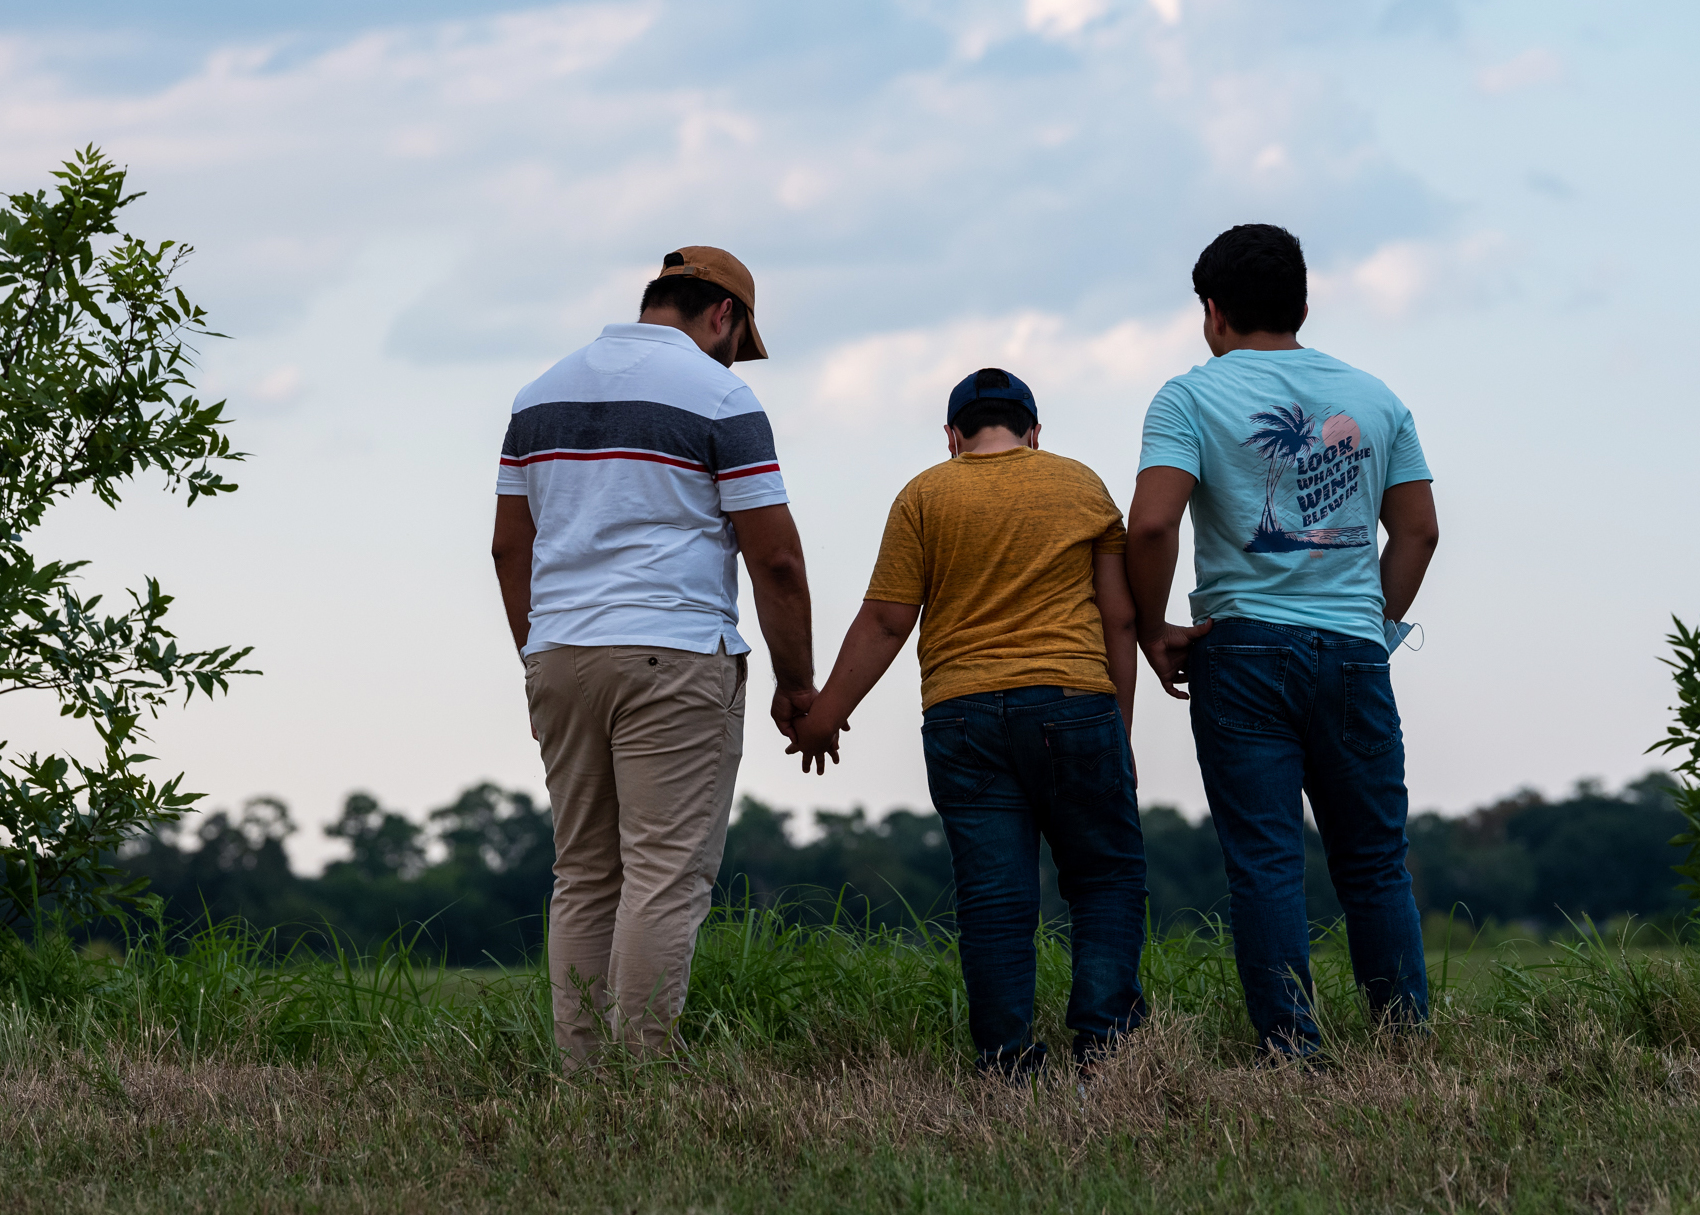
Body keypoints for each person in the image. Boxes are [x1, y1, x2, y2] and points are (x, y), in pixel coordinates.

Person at [490, 246, 819, 1066]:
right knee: (663, 876)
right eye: (738, 339)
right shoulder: (719, 395)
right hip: (672, 653)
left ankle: (582, 1074)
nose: (736, 355)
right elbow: (774, 558)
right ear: (723, 315)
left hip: (560, 652)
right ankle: (640, 1078)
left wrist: (539, 650)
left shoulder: (539, 395)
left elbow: (507, 549)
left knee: (585, 874)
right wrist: (796, 681)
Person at [1124, 223, 1440, 1057]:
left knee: (1265, 861)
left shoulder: (1188, 397)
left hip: (1241, 651)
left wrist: (1153, 626)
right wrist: (1372, 630)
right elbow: (1418, 534)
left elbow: (1153, 522)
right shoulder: (1375, 398)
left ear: (1212, 311)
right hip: (1351, 655)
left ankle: (1292, 1049)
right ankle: (1404, 1041)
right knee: (1374, 859)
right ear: (1302, 303)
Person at [789, 369, 1147, 1078]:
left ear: (952, 437)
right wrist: (1117, 730)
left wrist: (824, 714)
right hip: (1074, 704)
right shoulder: (1080, 485)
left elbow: (889, 618)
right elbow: (1120, 616)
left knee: (994, 897)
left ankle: (1006, 1063)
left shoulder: (925, 493)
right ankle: (1105, 1053)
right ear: (1034, 432)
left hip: (961, 715)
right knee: (1104, 878)